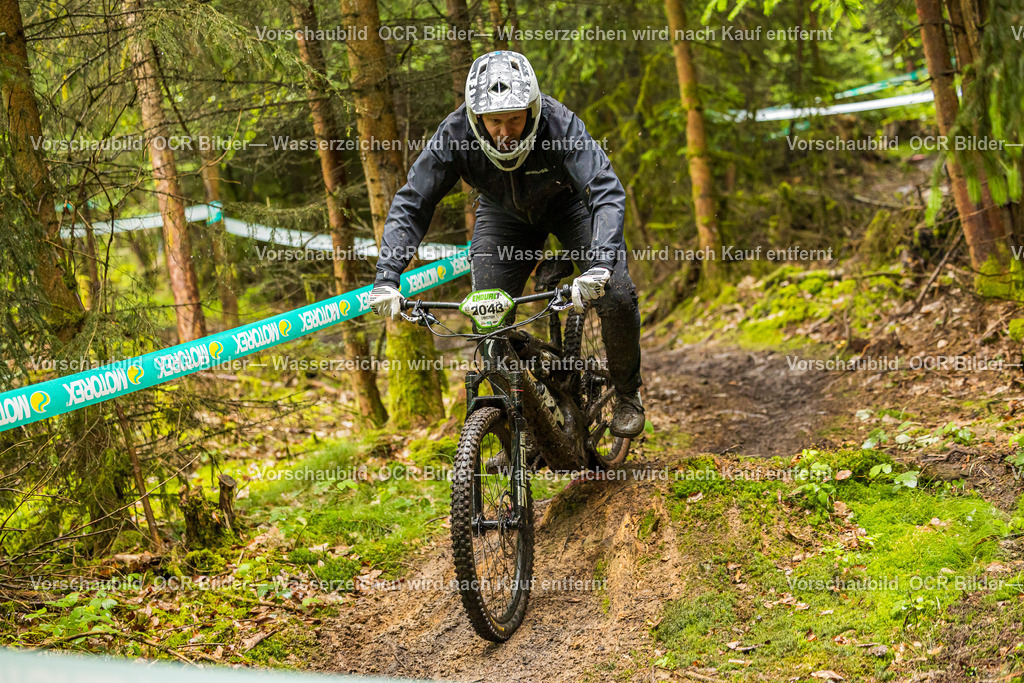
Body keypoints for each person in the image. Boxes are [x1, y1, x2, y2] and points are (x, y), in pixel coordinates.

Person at [368, 50, 644, 438]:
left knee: (615, 294)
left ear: (531, 111)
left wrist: (599, 264)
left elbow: (605, 189)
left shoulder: (558, 123)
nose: (505, 130)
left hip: (569, 207)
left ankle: (629, 395)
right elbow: (414, 199)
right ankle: (518, 431)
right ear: (476, 117)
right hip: (504, 218)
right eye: (495, 121)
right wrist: (387, 276)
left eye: (515, 119)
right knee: (489, 324)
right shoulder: (455, 134)